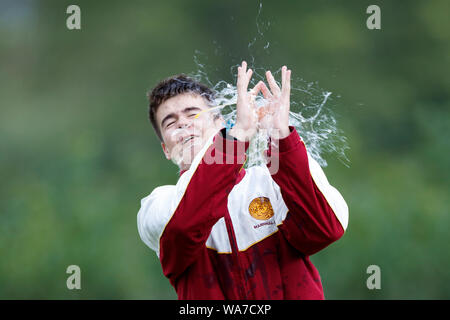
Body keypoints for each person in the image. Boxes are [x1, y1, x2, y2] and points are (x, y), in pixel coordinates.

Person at [137, 61, 349, 299]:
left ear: (219, 123)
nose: (183, 124)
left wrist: (283, 138)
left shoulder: (269, 182)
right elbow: (183, 227)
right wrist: (235, 140)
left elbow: (326, 228)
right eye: (171, 122)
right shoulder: (158, 204)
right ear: (166, 149)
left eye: (193, 113)